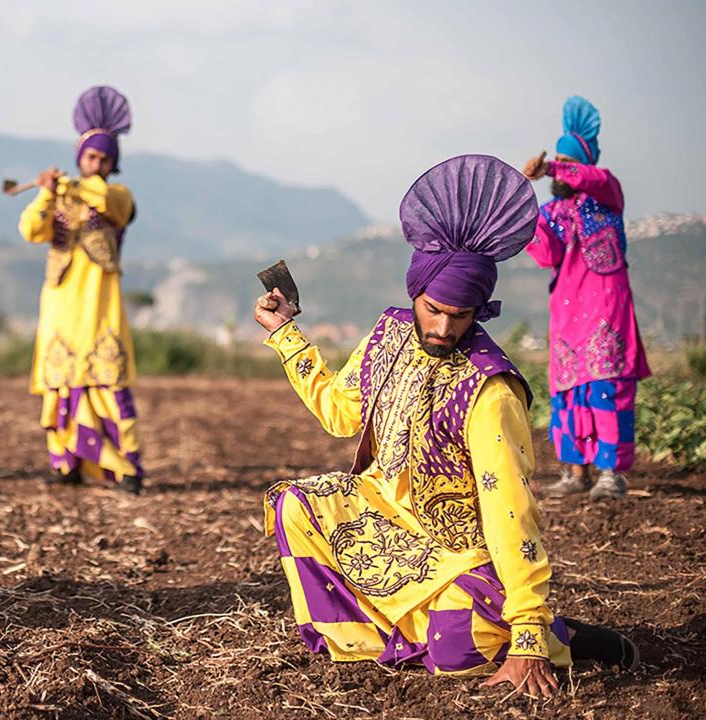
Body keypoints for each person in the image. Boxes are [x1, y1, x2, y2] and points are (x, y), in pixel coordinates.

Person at [256, 155, 637, 697]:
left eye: (461, 315)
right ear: (415, 291)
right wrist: (286, 335)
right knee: (295, 504)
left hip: (459, 554)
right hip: (386, 520)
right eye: (434, 309)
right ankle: (397, 631)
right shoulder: (388, 335)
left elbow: (512, 509)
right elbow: (341, 414)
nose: (442, 327)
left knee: (459, 650)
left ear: (479, 309)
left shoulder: (491, 390)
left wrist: (527, 629)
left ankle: (559, 637)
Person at [18, 86, 143, 494]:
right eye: (92, 156)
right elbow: (30, 230)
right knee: (60, 387)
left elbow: (111, 204)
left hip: (101, 308)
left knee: (107, 386)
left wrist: (73, 185)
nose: (98, 164)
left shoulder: (117, 195)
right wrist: (45, 193)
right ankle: (64, 463)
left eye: (106, 158)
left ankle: (123, 468)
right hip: (60, 307)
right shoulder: (58, 196)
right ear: (79, 156)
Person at [523, 96, 650, 500]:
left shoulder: (608, 194)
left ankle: (611, 474)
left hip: (606, 313)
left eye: (568, 161)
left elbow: (593, 180)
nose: (561, 170)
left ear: (583, 164)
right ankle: (576, 473)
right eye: (558, 161)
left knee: (606, 389)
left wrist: (552, 167)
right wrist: (522, 215)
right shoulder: (551, 211)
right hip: (566, 312)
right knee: (570, 393)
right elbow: (546, 254)